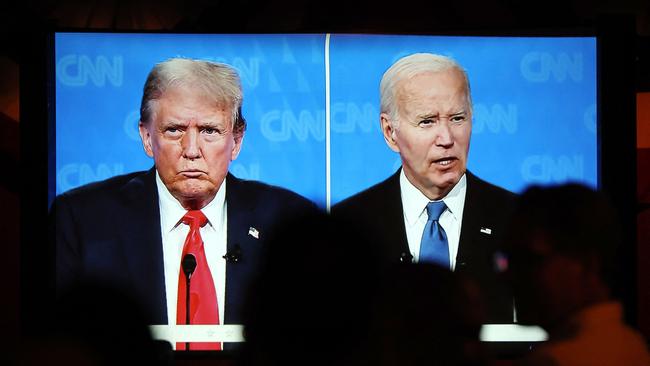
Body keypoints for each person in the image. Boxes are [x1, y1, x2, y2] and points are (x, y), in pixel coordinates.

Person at [50, 58, 317, 350]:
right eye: (174, 130)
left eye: (209, 131)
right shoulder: (82, 221)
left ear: (237, 140)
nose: (191, 151)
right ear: (147, 137)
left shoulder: (290, 221)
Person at [331, 53, 516, 323]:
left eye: (457, 118)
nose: (447, 138)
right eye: (427, 121)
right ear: (390, 132)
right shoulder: (348, 225)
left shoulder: (518, 218)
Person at [505, 184, 650, 366]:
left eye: (529, 260)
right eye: (509, 259)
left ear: (587, 265)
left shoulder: (552, 360)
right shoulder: (634, 343)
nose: (508, 276)